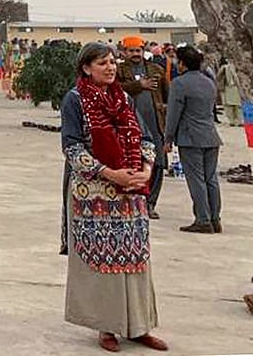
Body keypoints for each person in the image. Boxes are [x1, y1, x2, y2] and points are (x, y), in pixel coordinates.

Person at [61, 42, 165, 353]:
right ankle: (107, 326)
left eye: (111, 62)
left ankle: (137, 326)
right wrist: (110, 173)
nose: (109, 68)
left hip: (131, 192)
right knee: (101, 261)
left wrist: (146, 168)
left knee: (134, 259)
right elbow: (72, 147)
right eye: (102, 63)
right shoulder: (75, 100)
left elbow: (145, 137)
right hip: (93, 194)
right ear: (86, 68)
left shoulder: (122, 98)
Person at [164, 44, 222, 234]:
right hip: (211, 136)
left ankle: (202, 219)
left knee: (196, 180)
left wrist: (168, 138)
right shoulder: (208, 81)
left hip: (190, 137)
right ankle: (215, 218)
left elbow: (173, 114)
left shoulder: (179, 84)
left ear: (182, 63)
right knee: (211, 179)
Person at [117, 37, 167, 219]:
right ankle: (135, 202)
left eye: (138, 50)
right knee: (134, 164)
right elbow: (114, 89)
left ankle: (150, 203)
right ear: (124, 52)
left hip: (156, 126)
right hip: (130, 127)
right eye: (131, 51)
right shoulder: (118, 70)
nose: (135, 54)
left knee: (158, 165)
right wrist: (139, 85)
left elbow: (166, 97)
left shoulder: (157, 70)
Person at [216, 58, 243, 128]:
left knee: (231, 106)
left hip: (229, 88)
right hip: (232, 87)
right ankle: (237, 121)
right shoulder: (228, 67)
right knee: (235, 106)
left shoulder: (224, 68)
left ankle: (234, 121)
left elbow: (218, 77)